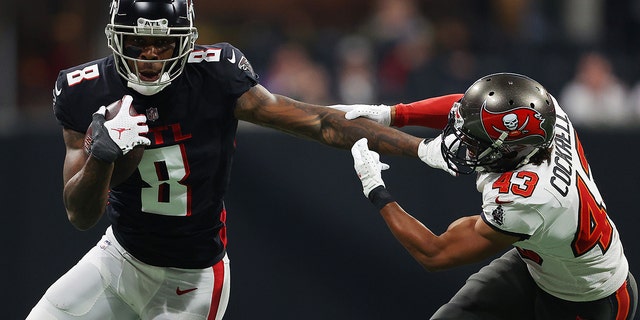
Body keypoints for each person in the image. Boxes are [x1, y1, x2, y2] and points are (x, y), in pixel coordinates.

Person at [26, 1, 443, 319]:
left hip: (191, 280)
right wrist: (102, 155)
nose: (150, 55)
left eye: (164, 42)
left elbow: (319, 122)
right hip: (118, 256)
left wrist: (419, 147)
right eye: (137, 41)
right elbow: (80, 214)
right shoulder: (84, 89)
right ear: (116, 38)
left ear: (186, 41)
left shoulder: (216, 75)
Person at [346, 73, 638, 319]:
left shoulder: (530, 198)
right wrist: (396, 113)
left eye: (477, 143)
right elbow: (475, 111)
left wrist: (376, 189)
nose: (467, 146)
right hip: (541, 264)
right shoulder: (542, 122)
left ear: (512, 151)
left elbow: (434, 253)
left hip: (591, 301)